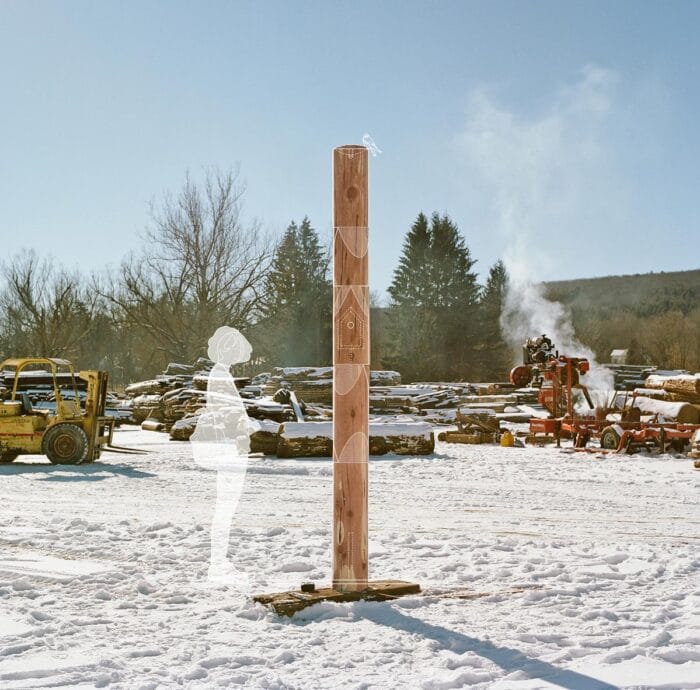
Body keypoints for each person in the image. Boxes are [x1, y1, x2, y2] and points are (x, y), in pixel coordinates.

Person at [190, 326, 258, 588]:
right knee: (225, 509)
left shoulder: (221, 374)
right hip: (229, 447)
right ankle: (217, 563)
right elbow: (225, 411)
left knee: (226, 509)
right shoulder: (219, 375)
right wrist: (244, 426)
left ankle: (219, 561)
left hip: (231, 445)